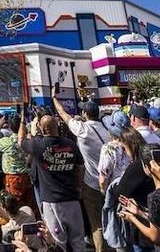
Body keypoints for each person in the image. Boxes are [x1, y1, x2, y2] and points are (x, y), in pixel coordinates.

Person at [19, 114, 84, 252]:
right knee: (78, 240)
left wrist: (23, 122)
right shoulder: (70, 144)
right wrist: (79, 187)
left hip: (52, 202)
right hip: (72, 199)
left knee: (57, 241)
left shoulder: (38, 145)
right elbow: (80, 167)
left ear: (42, 129)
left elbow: (21, 141)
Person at [55, 99, 108, 252]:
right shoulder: (107, 130)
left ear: (85, 114)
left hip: (92, 183)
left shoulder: (83, 130)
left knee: (96, 222)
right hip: (110, 182)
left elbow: (63, 114)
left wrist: (54, 98)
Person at [0, 115, 34, 213]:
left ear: (10, 126)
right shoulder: (27, 141)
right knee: (28, 204)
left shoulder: (8, 142)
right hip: (26, 176)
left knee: (14, 204)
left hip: (12, 178)